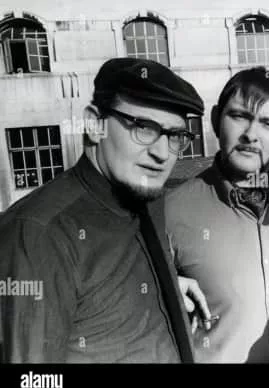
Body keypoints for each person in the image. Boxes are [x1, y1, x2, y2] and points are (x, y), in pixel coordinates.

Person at [0, 57, 209, 363]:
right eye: (144, 127)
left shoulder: (146, 196)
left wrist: (162, 289)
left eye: (175, 136)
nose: (162, 153)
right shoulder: (37, 233)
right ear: (94, 124)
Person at [165, 67, 269, 363]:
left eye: (268, 124)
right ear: (215, 119)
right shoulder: (170, 211)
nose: (251, 135)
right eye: (239, 116)